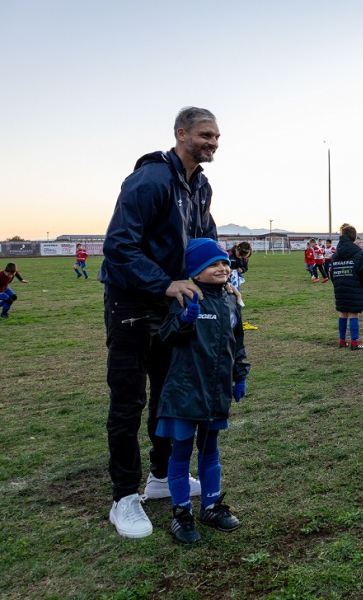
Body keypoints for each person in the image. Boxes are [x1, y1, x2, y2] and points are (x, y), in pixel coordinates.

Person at [98, 106, 222, 539]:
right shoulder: (150, 179)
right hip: (132, 302)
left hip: (171, 303)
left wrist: (223, 276)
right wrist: (164, 282)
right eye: (205, 135)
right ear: (181, 134)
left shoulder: (201, 185)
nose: (213, 143)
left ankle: (159, 476)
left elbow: (205, 241)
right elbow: (118, 246)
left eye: (216, 137)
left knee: (168, 395)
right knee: (128, 401)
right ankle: (123, 497)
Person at [155, 238, 250, 543]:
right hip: (185, 392)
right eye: (213, 264)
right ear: (195, 272)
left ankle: (211, 505)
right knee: (181, 452)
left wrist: (239, 376)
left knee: (210, 450)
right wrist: (184, 320)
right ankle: (181, 513)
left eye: (224, 263)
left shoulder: (231, 300)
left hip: (216, 391)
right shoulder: (186, 297)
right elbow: (165, 335)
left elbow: (238, 343)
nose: (222, 268)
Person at [332, 224, 363, 349]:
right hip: (355, 287)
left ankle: (342, 341)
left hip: (340, 288)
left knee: (343, 313)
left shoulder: (335, 255)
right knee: (353, 313)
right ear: (354, 238)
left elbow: (331, 272)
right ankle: (355, 342)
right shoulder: (360, 254)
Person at [228, 242, 257, 331]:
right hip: (224, 280)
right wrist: (227, 269)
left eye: (243, 256)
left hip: (235, 282)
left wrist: (242, 269)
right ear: (236, 249)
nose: (240, 257)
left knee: (236, 299)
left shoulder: (244, 258)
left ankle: (236, 320)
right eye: (239, 255)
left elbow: (245, 267)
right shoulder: (228, 254)